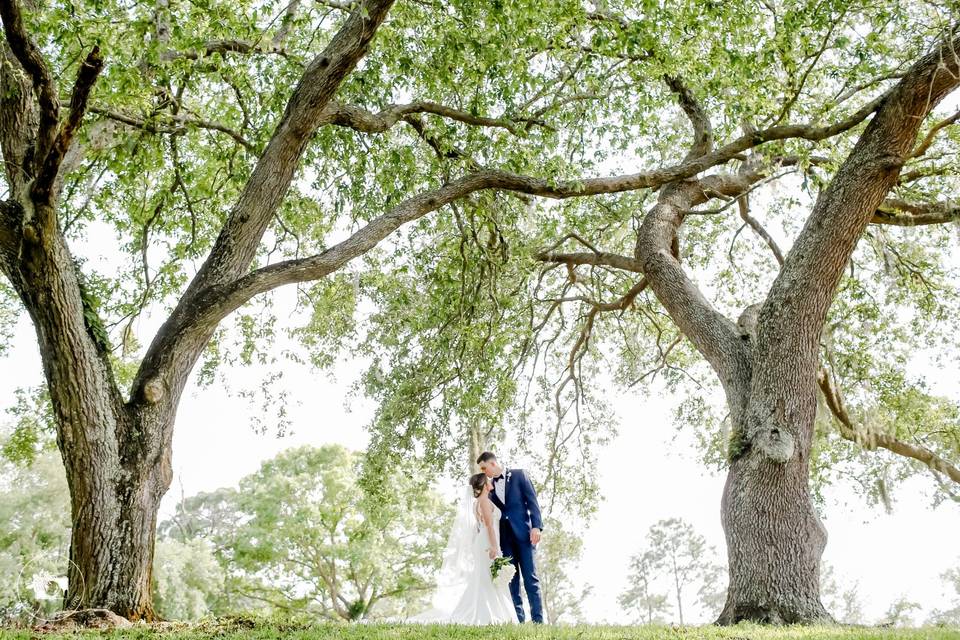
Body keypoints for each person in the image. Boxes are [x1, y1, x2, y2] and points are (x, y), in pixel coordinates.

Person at [409, 473, 517, 625]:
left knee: (484, 576)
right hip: (488, 542)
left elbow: (480, 527)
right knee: (486, 577)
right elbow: (488, 526)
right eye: (488, 480)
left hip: (482, 542)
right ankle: (487, 613)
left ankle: (491, 611)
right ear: (484, 485)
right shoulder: (484, 502)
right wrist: (494, 546)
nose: (490, 481)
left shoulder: (476, 503)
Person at [477, 451, 544, 624]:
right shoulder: (489, 488)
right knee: (511, 581)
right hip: (505, 540)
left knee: (531, 578)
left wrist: (536, 526)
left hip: (524, 535)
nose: (484, 472)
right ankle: (518, 620)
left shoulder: (519, 475)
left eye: (484, 468)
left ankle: (538, 621)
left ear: (492, 463)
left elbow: (533, 502)